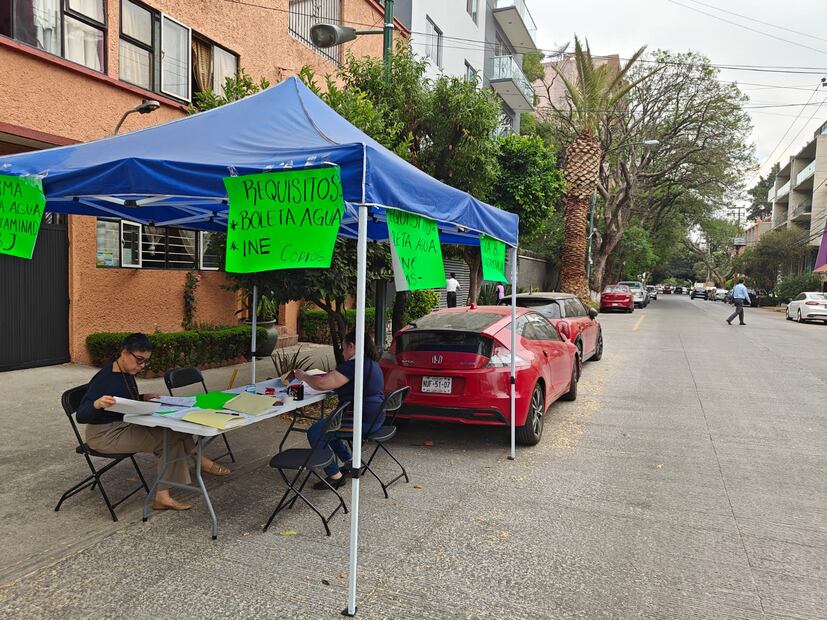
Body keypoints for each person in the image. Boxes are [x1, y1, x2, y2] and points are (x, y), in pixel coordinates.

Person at [77, 333, 230, 511]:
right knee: (168, 438)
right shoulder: (105, 379)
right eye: (139, 360)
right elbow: (81, 415)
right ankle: (168, 491)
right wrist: (96, 404)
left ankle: (193, 465)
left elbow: (121, 398)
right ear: (124, 352)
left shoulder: (125, 371)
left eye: (145, 361)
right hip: (105, 435)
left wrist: (141, 397)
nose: (142, 366)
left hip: (124, 424)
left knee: (173, 428)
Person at [295, 330, 385, 490]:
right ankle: (350, 462)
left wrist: (304, 376)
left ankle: (335, 475)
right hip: (376, 417)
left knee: (316, 433)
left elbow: (323, 384)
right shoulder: (371, 362)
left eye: (343, 348)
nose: (342, 353)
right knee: (330, 427)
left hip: (362, 420)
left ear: (352, 346)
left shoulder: (354, 365)